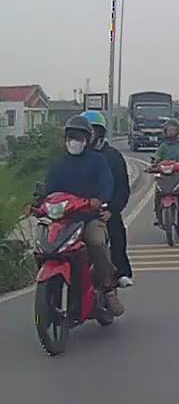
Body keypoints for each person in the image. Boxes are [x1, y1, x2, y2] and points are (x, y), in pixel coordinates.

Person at [43, 115, 124, 315]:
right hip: (63, 220)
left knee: (96, 242)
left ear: (87, 139)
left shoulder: (97, 161)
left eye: (79, 137)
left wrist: (99, 200)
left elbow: (108, 184)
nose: (74, 141)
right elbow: (49, 190)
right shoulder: (58, 164)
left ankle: (108, 287)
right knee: (44, 246)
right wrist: (39, 204)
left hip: (89, 218)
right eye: (71, 136)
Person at [82, 110, 135, 288]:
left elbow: (122, 188)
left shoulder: (112, 156)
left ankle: (120, 273)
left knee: (116, 233)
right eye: (85, 131)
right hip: (77, 211)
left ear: (101, 132)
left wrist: (112, 210)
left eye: (92, 131)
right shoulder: (73, 157)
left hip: (105, 210)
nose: (88, 135)